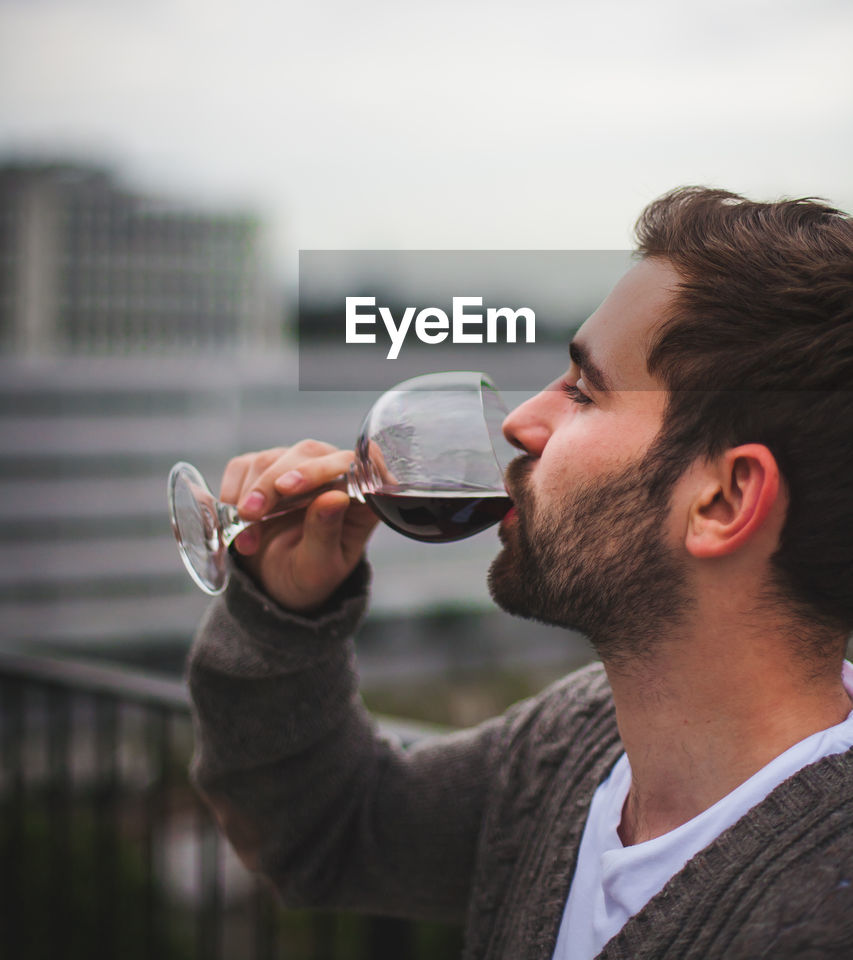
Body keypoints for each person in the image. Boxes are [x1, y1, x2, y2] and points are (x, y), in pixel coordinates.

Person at [187, 187, 853, 958]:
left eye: (582, 390)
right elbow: (331, 832)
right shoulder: (575, 743)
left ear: (724, 500)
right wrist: (285, 610)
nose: (518, 423)